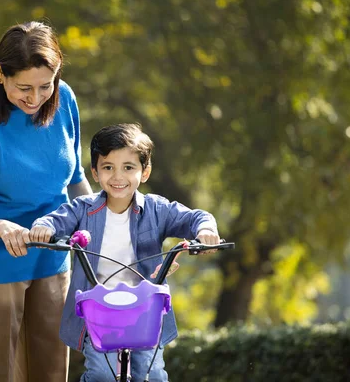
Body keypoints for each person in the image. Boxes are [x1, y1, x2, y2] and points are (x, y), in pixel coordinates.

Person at [0, 21, 93, 382]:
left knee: (51, 372)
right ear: (0, 72)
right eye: (23, 87)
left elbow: (75, 180)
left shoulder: (64, 100)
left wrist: (106, 222)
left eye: (46, 84)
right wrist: (1, 227)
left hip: (51, 256)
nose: (35, 97)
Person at [30, 123, 220, 381]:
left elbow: (196, 217)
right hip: (100, 312)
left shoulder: (156, 209)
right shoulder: (82, 208)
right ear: (95, 173)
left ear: (145, 172)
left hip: (145, 312)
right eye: (108, 167)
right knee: (102, 374)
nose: (118, 177)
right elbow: (55, 220)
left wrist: (206, 230)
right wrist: (43, 227)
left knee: (152, 374)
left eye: (128, 167)